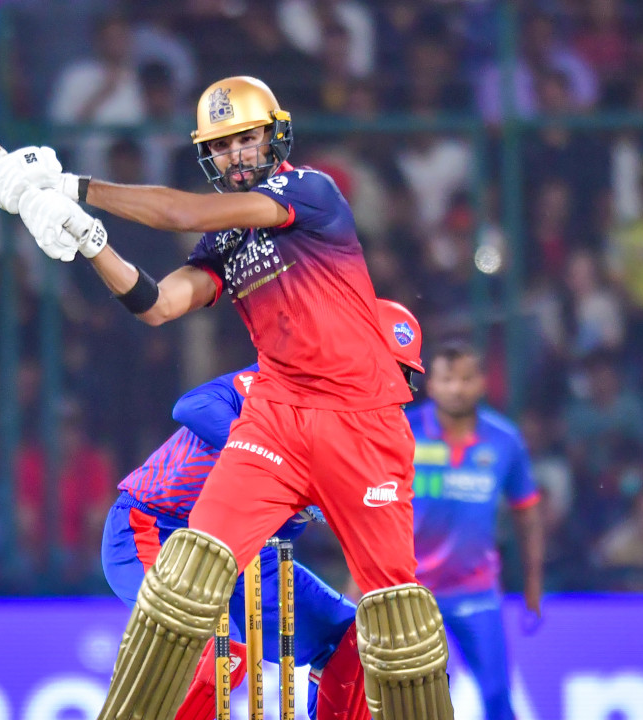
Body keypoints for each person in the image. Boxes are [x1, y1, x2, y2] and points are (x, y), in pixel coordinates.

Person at [0, 76, 455, 718]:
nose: (235, 155)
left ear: (274, 136)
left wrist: (72, 186)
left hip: (360, 424)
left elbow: (183, 213)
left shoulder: (309, 191)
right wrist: (90, 240)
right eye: (222, 145)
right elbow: (158, 303)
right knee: (186, 585)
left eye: (246, 139)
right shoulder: (226, 246)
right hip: (275, 419)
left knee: (397, 621)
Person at [102, 298, 423, 720]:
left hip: (249, 555)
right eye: (386, 370)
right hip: (156, 529)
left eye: (402, 377)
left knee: (360, 639)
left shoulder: (369, 447)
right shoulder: (284, 383)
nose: (394, 389)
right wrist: (273, 457)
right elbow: (192, 407)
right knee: (216, 653)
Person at [404, 341, 545, 720]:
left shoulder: (505, 440)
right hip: (410, 589)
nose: (457, 388)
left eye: (466, 379)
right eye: (448, 379)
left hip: (476, 590)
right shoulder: (403, 431)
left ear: (483, 382)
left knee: (497, 695)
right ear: (431, 384)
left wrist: (532, 584)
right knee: (411, 702)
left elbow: (527, 514)